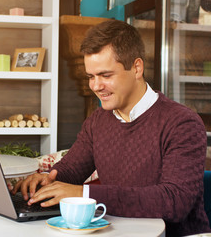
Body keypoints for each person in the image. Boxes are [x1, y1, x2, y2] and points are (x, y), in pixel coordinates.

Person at [12, 19, 210, 236]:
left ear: (136, 68)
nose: (96, 86)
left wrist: (85, 193)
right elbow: (71, 170)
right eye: (91, 77)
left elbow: (174, 202)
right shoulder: (98, 121)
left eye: (106, 75)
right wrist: (47, 179)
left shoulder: (182, 124)